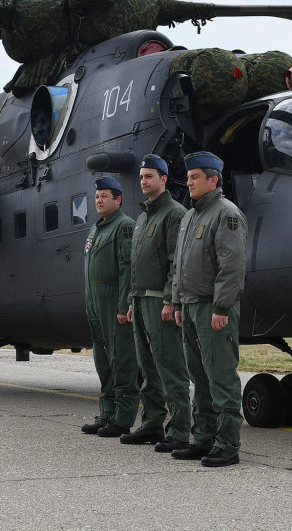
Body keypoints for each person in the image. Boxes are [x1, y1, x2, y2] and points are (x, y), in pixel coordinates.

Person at [168, 151, 248, 468]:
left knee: (220, 377)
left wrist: (221, 306)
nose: (188, 182)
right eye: (187, 177)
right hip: (189, 306)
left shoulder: (226, 214)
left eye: (195, 177)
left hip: (212, 309)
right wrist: (176, 301)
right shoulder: (190, 217)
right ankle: (203, 438)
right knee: (198, 378)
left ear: (213, 180)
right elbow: (179, 265)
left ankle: (228, 444)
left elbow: (232, 266)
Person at [120, 153, 191, 453]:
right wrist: (130, 301)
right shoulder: (143, 217)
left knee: (170, 367)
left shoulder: (174, 214)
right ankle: (152, 422)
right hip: (140, 301)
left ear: (163, 179)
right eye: (141, 177)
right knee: (147, 368)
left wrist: (169, 300)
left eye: (149, 176)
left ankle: (180, 429)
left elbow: (177, 263)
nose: (143, 181)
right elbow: (135, 264)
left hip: (159, 304)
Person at [80, 176, 139, 438]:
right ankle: (106, 413)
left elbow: (128, 269)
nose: (99, 200)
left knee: (121, 360)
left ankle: (123, 418)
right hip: (95, 302)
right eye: (97, 197)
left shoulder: (124, 227)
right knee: (102, 360)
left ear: (118, 200)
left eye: (105, 196)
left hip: (114, 300)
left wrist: (123, 303)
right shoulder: (97, 229)